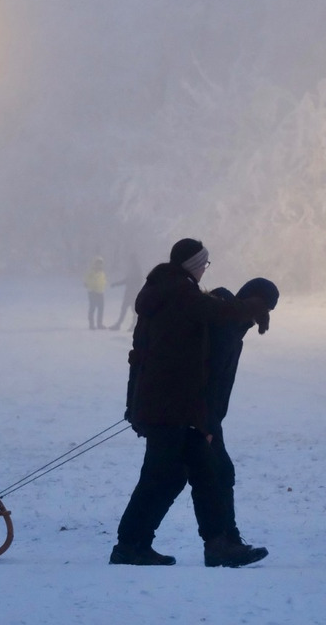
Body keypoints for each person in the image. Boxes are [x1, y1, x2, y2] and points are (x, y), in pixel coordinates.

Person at [111, 238, 271, 568]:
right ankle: (132, 545)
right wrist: (253, 307)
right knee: (163, 478)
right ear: (194, 265)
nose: (205, 270)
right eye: (204, 264)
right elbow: (218, 315)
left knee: (199, 473)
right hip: (173, 407)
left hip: (170, 405)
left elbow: (139, 355)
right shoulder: (181, 294)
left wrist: (135, 402)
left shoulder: (167, 293)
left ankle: (214, 546)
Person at [201, 277, 279, 556]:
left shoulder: (234, 328)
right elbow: (207, 378)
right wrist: (207, 423)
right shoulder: (225, 327)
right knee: (215, 474)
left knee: (177, 478)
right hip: (199, 416)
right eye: (262, 310)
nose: (261, 318)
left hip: (207, 416)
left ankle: (227, 542)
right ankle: (223, 545)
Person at [108, 253, 142, 331]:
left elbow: (139, 280)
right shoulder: (132, 269)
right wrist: (116, 284)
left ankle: (133, 326)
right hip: (129, 293)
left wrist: (136, 288)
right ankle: (119, 324)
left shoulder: (136, 269)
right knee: (124, 309)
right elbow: (127, 280)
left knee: (133, 311)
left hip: (133, 293)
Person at [84, 256, 107, 329]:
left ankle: (99, 324)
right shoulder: (91, 272)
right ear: (95, 263)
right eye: (98, 263)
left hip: (100, 292)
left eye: (101, 263)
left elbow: (104, 281)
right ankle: (91, 325)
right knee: (92, 308)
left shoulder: (102, 272)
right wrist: (91, 286)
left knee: (101, 309)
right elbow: (86, 282)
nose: (99, 265)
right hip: (93, 292)